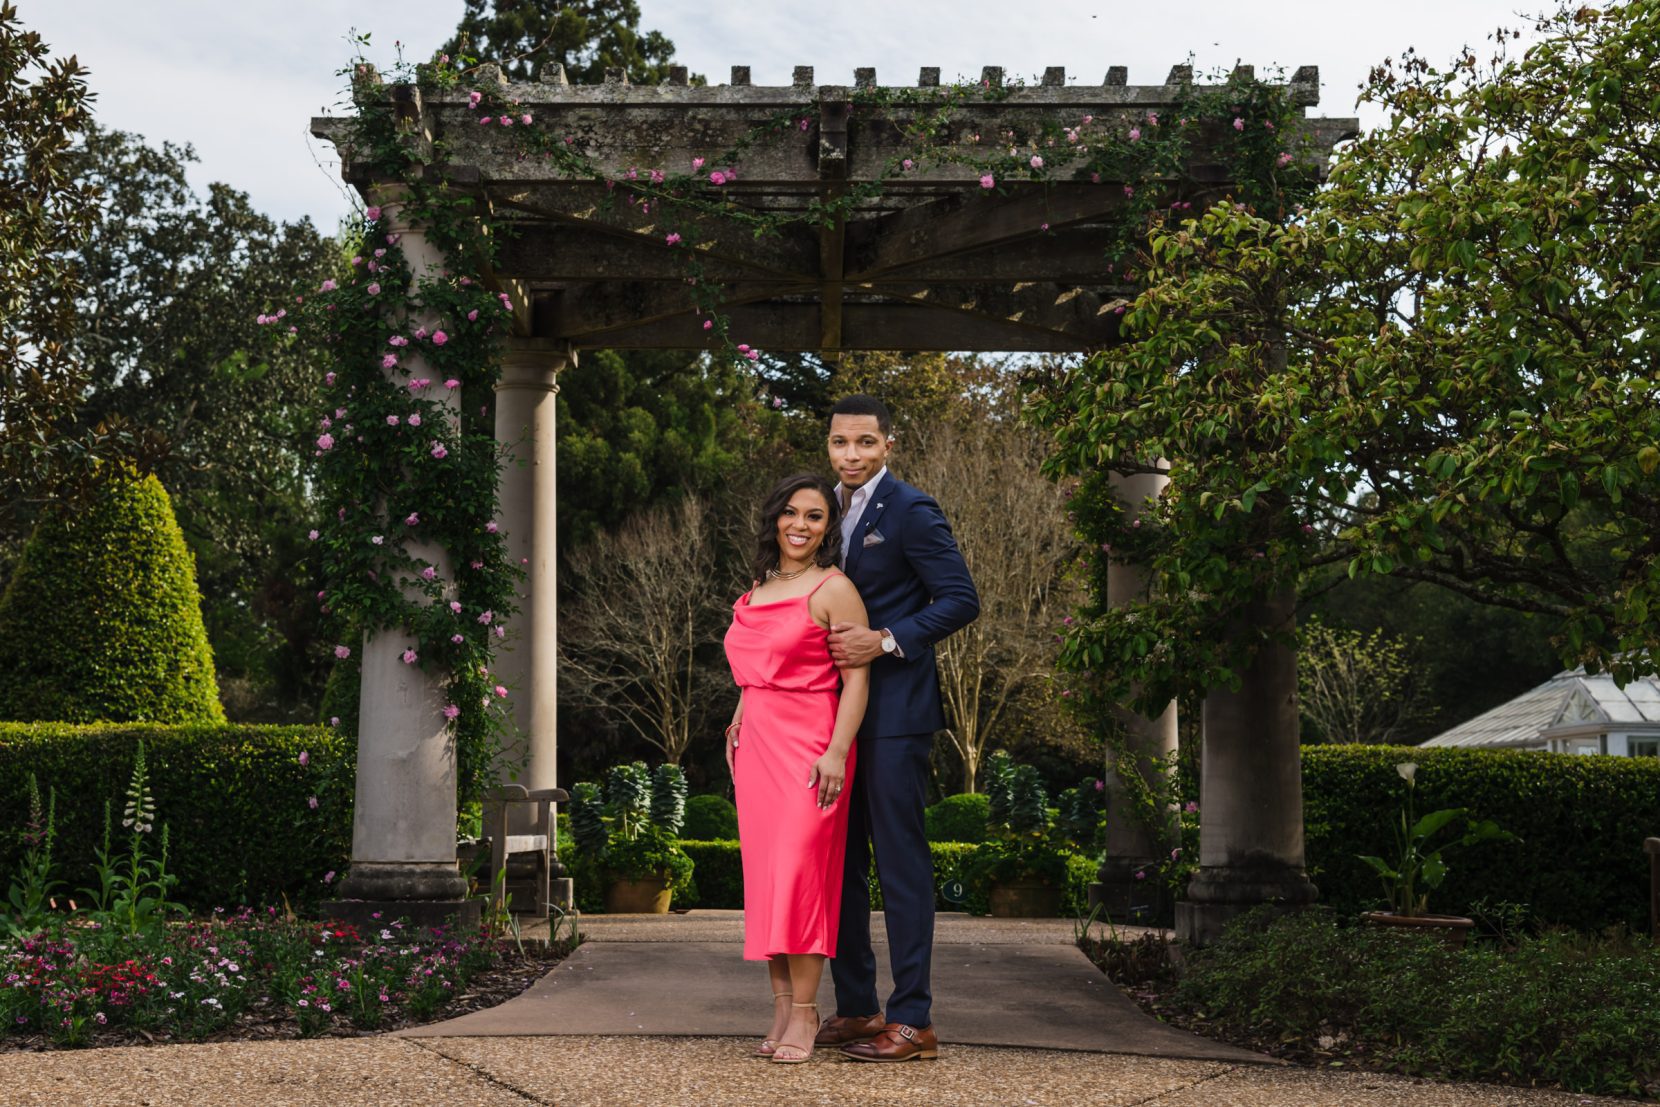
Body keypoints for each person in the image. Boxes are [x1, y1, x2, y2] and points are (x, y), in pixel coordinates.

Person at [816, 394, 980, 1062]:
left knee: (901, 865)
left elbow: (961, 599)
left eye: (864, 442)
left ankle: (913, 1019)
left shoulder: (911, 509)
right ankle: (856, 1006)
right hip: (830, 716)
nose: (850, 454)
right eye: (838, 442)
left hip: (896, 717)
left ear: (889, 444)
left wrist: (884, 640)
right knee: (840, 865)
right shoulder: (821, 510)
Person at [723, 472, 871, 1065]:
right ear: (774, 519)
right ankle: (781, 1009)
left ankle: (808, 1016)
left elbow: (858, 678)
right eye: (791, 513)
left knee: (802, 878)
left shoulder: (836, 589)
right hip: (756, 746)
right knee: (768, 885)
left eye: (814, 515)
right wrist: (737, 718)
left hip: (812, 746)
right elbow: (753, 667)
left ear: (827, 527)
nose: (800, 525)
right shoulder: (757, 587)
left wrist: (836, 751)